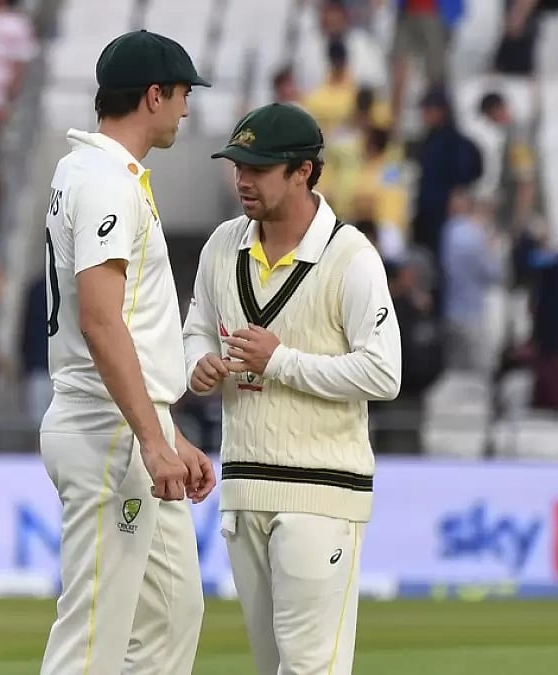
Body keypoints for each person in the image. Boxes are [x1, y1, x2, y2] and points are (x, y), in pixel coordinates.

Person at [182, 103, 402, 675]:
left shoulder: (350, 256)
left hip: (322, 491)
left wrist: (281, 362)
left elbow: (384, 372)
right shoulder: (221, 245)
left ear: (304, 171)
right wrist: (198, 364)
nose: (243, 180)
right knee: (274, 665)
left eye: (258, 168)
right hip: (245, 485)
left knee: (310, 668)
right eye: (238, 167)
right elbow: (196, 329)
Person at [39, 29, 215, 675]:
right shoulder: (106, 181)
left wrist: (166, 427)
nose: (187, 109)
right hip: (107, 428)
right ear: (153, 95)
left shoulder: (81, 169)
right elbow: (101, 321)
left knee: (172, 618)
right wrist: (150, 435)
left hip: (125, 422)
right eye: (182, 94)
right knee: (89, 641)